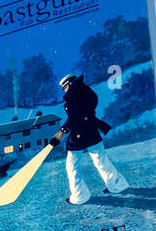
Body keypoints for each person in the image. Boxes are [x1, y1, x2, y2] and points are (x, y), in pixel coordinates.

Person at [51, 73, 129, 205]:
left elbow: (74, 117)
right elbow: (85, 111)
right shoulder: (86, 91)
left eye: (64, 87)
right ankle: (117, 185)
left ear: (69, 84)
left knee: (72, 165)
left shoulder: (74, 95)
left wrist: (62, 131)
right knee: (101, 160)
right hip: (91, 131)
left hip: (79, 135)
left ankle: (80, 195)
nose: (64, 90)